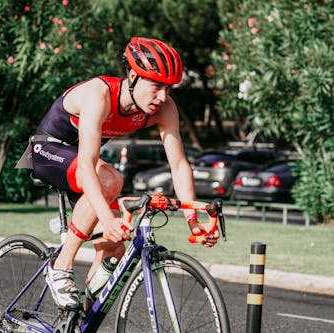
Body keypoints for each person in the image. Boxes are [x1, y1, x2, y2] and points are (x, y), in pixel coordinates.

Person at [27, 37, 220, 310]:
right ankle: (61, 266)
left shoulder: (164, 108)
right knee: (111, 179)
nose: (162, 97)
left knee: (116, 248)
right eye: (155, 86)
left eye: (167, 88)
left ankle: (79, 317)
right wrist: (107, 218)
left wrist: (193, 219)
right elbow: (86, 163)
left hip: (84, 167)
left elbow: (178, 164)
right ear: (132, 75)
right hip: (49, 152)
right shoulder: (99, 94)